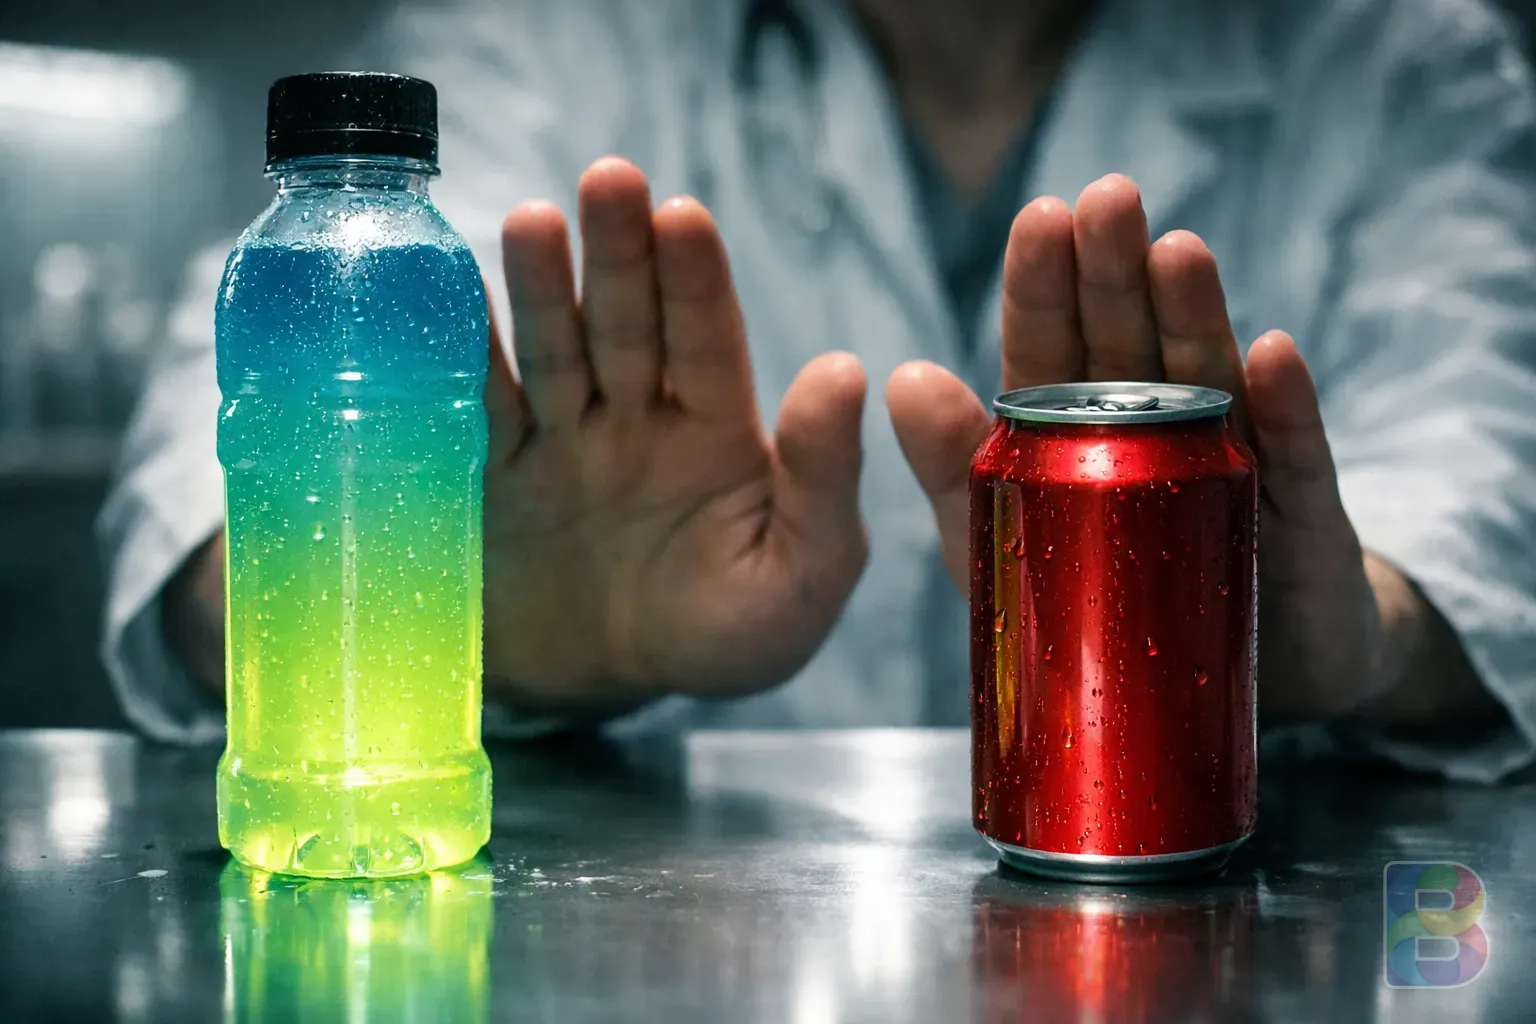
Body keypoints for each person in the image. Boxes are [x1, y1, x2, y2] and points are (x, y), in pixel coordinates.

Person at [101, 0, 1536, 780]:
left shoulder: (1401, 55)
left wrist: (1371, 633)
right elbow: (195, 525)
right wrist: (479, 618)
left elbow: (1484, 470)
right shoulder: (540, 37)